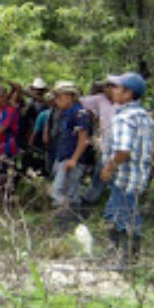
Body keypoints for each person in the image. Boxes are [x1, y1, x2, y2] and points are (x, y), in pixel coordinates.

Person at [100, 73, 154, 270]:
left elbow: (123, 150)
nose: (113, 91)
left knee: (125, 216)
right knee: (114, 214)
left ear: (128, 94)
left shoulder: (124, 118)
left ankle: (127, 261)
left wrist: (108, 167)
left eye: (117, 88)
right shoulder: (144, 117)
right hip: (138, 176)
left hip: (124, 177)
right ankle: (116, 254)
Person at [49, 81, 92, 225]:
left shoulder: (79, 113)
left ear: (69, 96)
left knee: (59, 191)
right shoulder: (65, 114)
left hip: (73, 159)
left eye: (59, 97)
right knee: (69, 191)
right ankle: (68, 223)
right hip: (63, 157)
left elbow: (83, 139)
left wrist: (74, 159)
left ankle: (69, 220)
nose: (56, 101)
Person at [81, 76, 121, 207]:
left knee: (114, 178)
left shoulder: (123, 102)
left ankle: (110, 207)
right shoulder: (100, 100)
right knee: (100, 175)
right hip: (106, 147)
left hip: (120, 147)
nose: (107, 89)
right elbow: (81, 102)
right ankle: (89, 201)